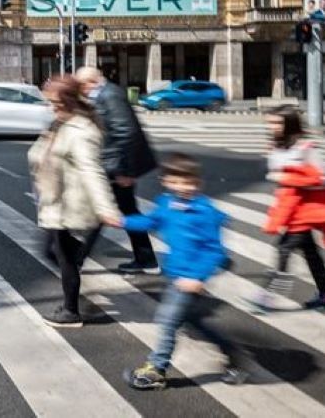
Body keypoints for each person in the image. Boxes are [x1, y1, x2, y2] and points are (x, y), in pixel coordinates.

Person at [121, 152, 248, 390]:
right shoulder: (167, 203)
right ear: (166, 181)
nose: (183, 187)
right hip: (175, 275)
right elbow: (150, 222)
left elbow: (216, 251)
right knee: (192, 321)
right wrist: (123, 221)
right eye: (176, 181)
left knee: (167, 320)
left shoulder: (205, 211)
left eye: (188, 181)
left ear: (197, 182)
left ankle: (157, 369)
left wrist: (197, 277)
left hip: (190, 278)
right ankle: (234, 357)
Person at [29, 75, 121, 328]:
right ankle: (72, 297)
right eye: (50, 102)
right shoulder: (60, 123)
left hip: (69, 204)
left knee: (63, 255)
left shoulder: (81, 131)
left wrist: (105, 208)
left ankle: (71, 310)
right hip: (55, 201)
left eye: (56, 102)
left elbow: (92, 170)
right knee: (57, 253)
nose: (51, 107)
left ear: (69, 101)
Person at [246, 106, 325, 312]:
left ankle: (269, 295)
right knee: (312, 255)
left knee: (283, 249)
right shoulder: (276, 147)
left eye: (276, 123)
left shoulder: (306, 148)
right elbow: (274, 173)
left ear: (289, 124)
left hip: (303, 212)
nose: (271, 127)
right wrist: (279, 176)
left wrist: (294, 180)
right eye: (270, 123)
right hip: (289, 209)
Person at [75, 66, 158, 273]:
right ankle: (146, 258)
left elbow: (126, 131)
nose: (80, 90)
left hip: (117, 167)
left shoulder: (110, 95)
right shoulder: (105, 94)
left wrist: (126, 171)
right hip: (115, 164)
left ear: (90, 83)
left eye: (80, 86)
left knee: (100, 211)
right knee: (125, 209)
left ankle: (76, 259)